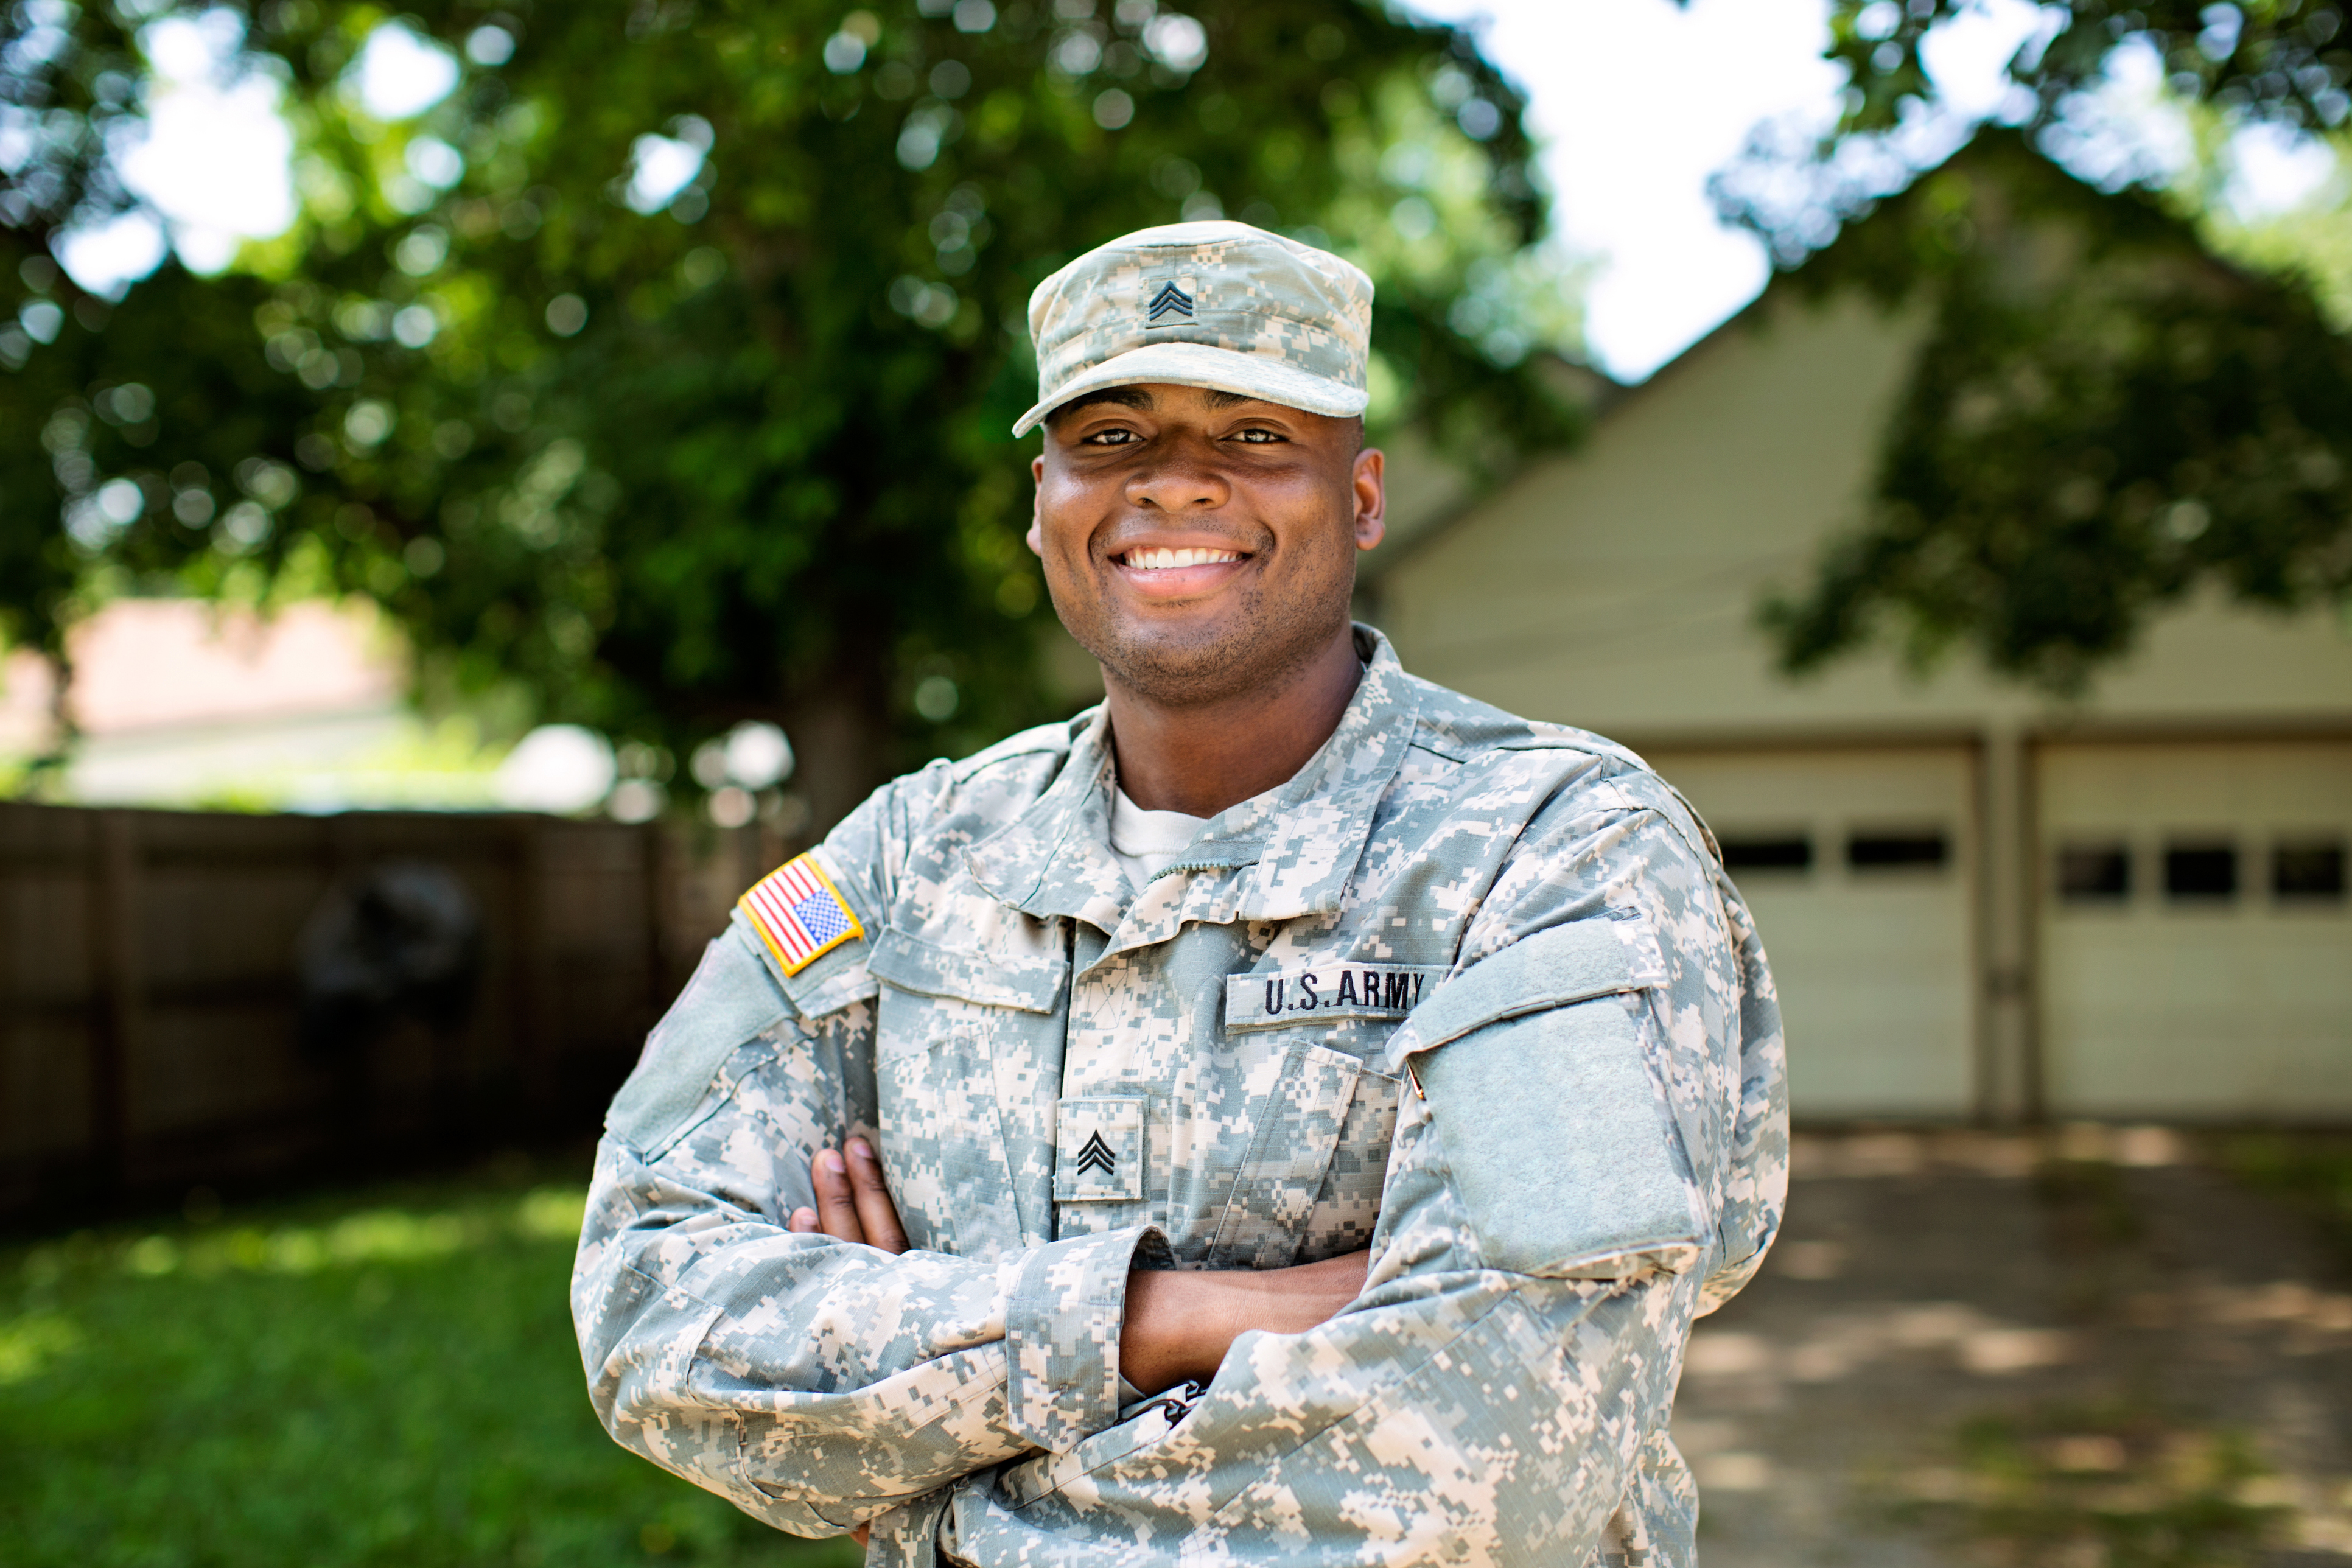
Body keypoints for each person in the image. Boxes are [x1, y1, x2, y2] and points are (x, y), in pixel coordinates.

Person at [572, 220, 1788, 1567]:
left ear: (1365, 494)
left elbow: (1494, 1442)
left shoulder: (1552, 848)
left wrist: (921, 1473)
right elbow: (647, 1312)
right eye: (1111, 437)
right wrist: (1163, 1317)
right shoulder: (909, 859)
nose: (1178, 485)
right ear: (1043, 501)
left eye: (1257, 434)